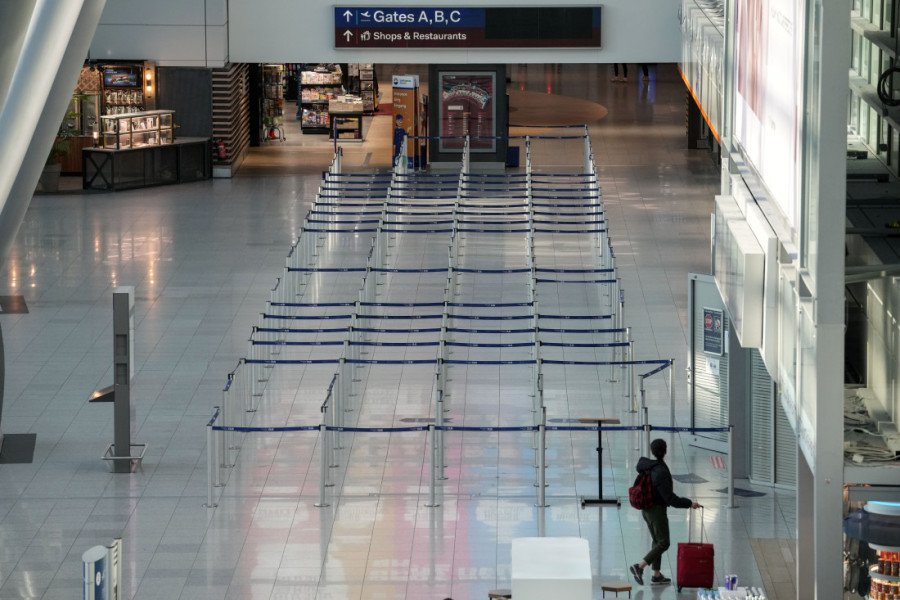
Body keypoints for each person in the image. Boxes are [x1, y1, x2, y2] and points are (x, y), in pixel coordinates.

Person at [630, 438, 701, 586]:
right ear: (666, 451)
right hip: (656, 511)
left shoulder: (648, 465)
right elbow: (670, 499)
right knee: (664, 542)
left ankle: (656, 575)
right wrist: (690, 503)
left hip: (646, 509)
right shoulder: (661, 471)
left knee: (657, 541)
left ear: (652, 451)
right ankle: (640, 566)